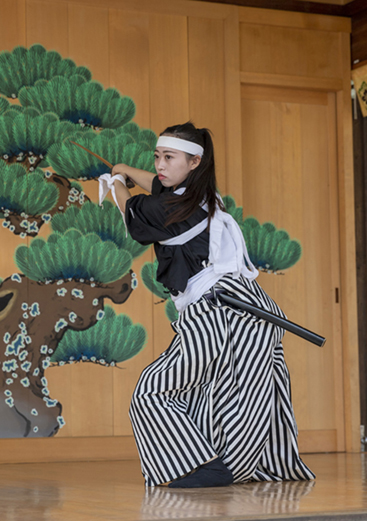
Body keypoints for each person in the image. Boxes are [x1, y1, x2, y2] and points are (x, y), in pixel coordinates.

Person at [107, 122, 315, 488]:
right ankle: (244, 465)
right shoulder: (199, 195)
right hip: (251, 310)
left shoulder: (171, 207)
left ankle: (200, 468)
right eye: (157, 156)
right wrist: (124, 170)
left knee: (153, 390)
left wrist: (115, 185)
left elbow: (133, 213)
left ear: (194, 161)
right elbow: (155, 184)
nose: (159, 165)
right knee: (237, 394)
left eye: (168, 157)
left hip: (218, 310)